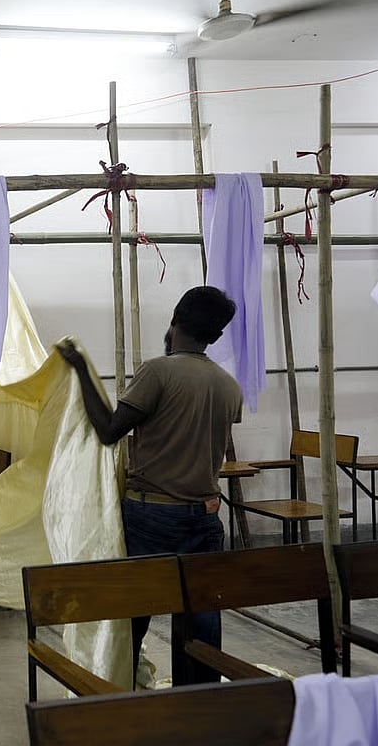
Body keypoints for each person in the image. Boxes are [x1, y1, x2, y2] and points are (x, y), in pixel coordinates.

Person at [57, 286, 242, 687]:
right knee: (201, 618)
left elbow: (108, 431)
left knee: (134, 612)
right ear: (217, 336)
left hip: (152, 514)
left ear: (174, 318)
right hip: (206, 516)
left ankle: (122, 689)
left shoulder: (157, 371)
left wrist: (80, 370)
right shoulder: (229, 385)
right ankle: (200, 704)